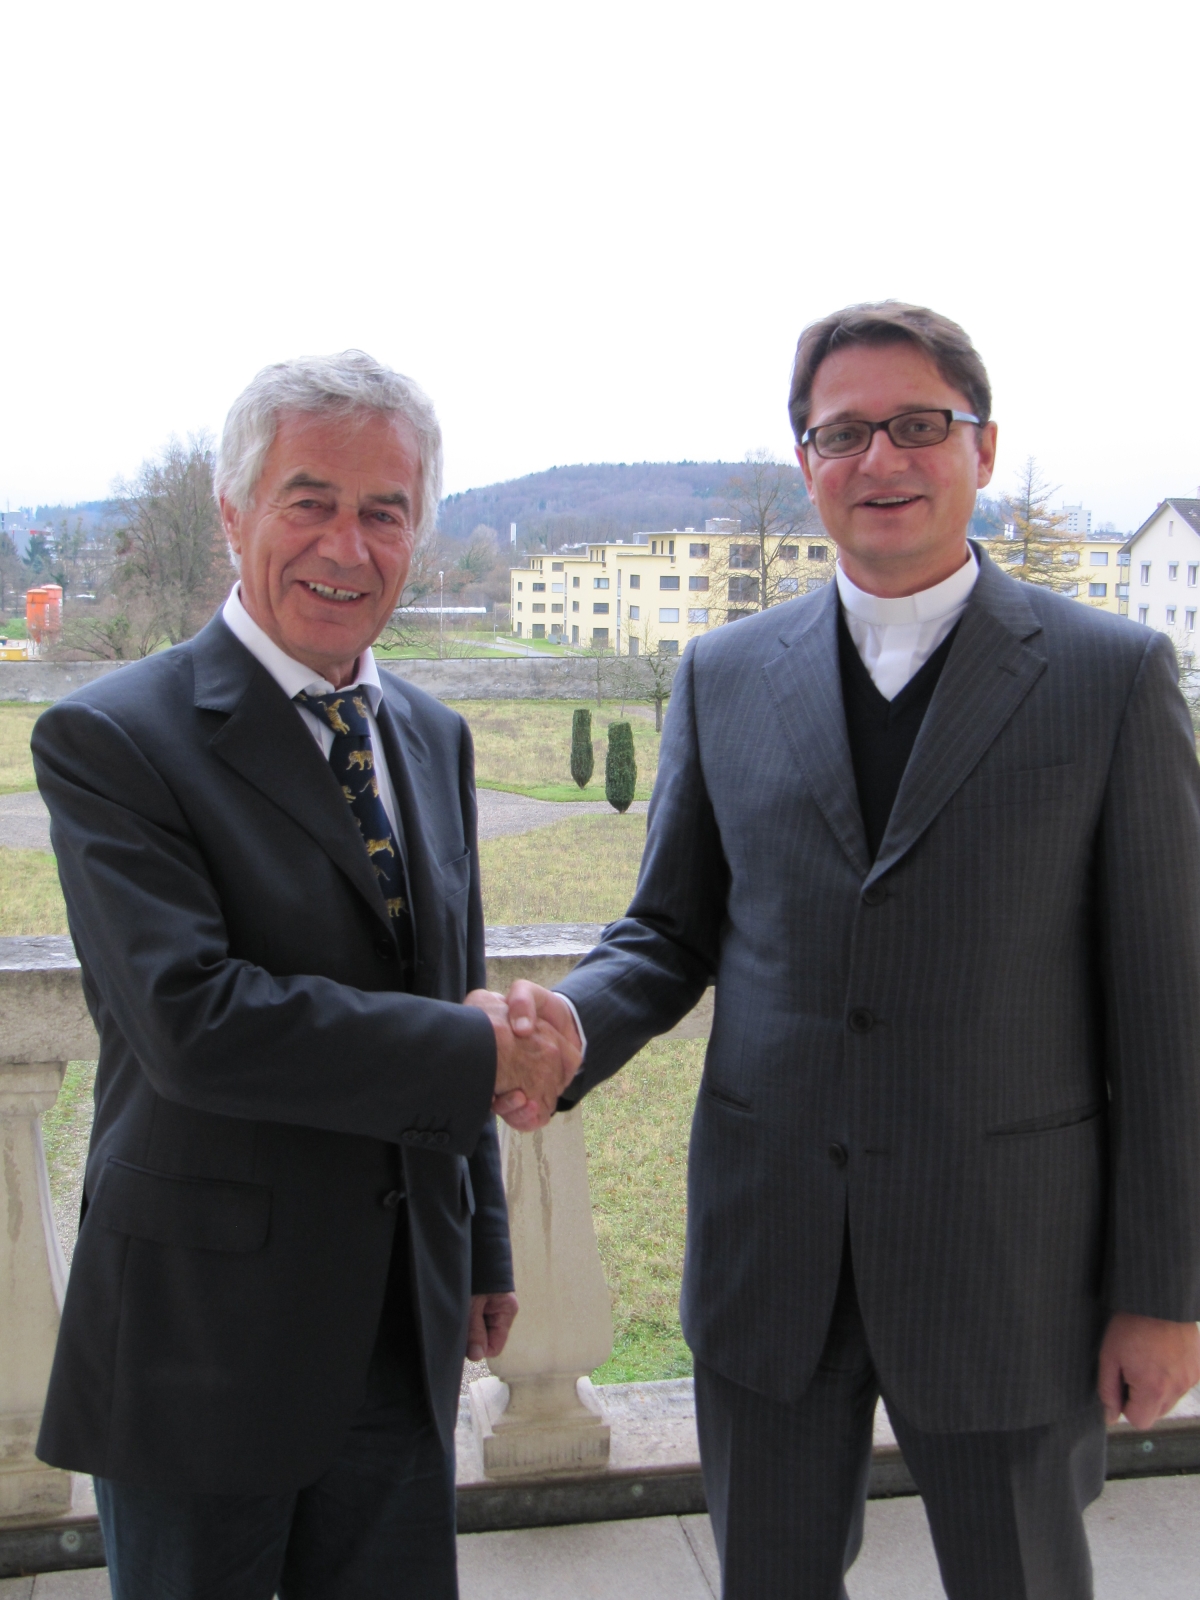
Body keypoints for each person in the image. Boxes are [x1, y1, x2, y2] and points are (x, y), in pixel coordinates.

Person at [505, 303, 1200, 1598]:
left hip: (1009, 1270)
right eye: (843, 432)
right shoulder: (722, 673)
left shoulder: (1111, 678)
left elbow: (1167, 1016)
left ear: (981, 451)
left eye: (919, 426)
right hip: (775, 1263)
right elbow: (666, 931)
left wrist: (1165, 1293)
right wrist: (576, 1026)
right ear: (807, 460)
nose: (882, 460)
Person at [32, 351, 580, 1600]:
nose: (348, 542)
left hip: (400, 1324)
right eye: (310, 499)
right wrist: (478, 1050)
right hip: (201, 1341)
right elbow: (195, 1023)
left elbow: (454, 984)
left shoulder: (430, 736)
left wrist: (483, 1243)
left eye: (384, 510)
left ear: (419, 535)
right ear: (234, 513)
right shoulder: (116, 738)